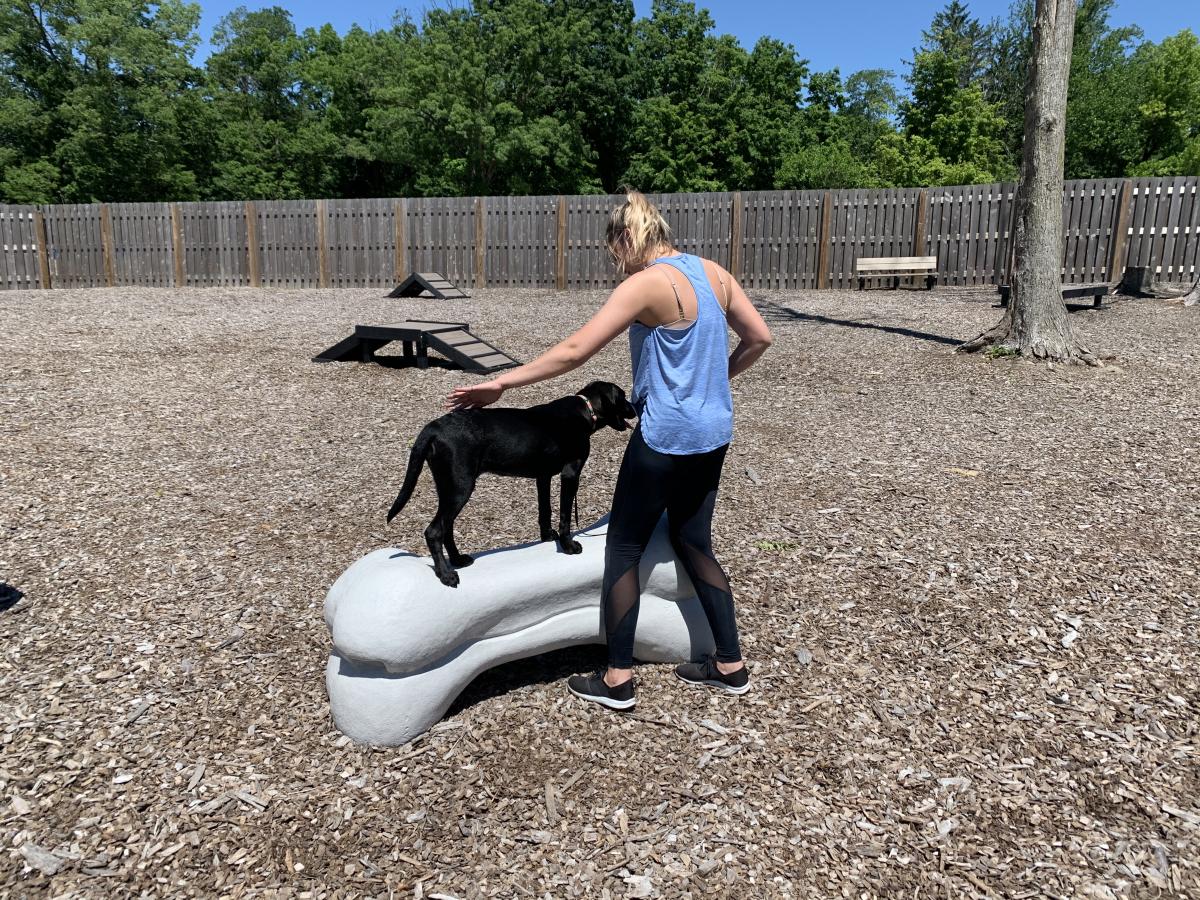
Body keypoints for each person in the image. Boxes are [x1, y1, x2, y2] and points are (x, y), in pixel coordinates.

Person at [445, 188, 773, 710]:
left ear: (628, 238)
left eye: (614, 250)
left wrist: (502, 384)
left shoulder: (646, 285)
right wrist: (716, 383)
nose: (615, 262)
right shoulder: (714, 273)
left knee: (624, 548)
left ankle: (617, 679)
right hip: (713, 434)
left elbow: (575, 350)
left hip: (663, 437)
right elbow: (760, 338)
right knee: (695, 543)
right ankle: (729, 664)